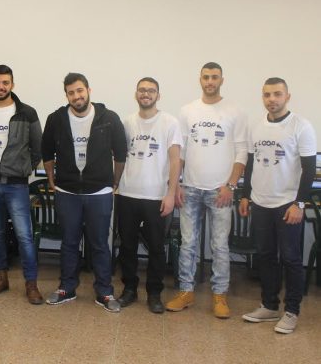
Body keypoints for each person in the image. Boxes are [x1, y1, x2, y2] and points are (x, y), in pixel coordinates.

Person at [166, 62, 247, 318]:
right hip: (190, 189)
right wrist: (177, 184)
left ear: (222, 80)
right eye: (205, 77)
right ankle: (186, 291)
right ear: (199, 80)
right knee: (188, 243)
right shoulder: (187, 111)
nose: (210, 81)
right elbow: (180, 152)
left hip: (220, 191)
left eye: (214, 77)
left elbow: (242, 152)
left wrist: (231, 185)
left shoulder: (235, 111)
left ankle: (220, 295)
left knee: (220, 245)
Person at [41, 72, 127, 311]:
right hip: (67, 191)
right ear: (66, 95)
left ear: (89, 90)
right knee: (69, 242)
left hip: (99, 192)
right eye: (71, 93)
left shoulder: (109, 118)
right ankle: (66, 288)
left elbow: (121, 153)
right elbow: (47, 152)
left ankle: (105, 292)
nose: (76, 96)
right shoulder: (56, 119)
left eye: (80, 90)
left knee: (99, 243)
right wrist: (52, 181)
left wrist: (114, 182)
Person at [240, 78, 316, 334]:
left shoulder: (301, 126)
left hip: (287, 204)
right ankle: (269, 305)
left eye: (277, 94)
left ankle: (291, 311)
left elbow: (308, 169)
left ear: (287, 97)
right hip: (261, 202)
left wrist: (299, 203)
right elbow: (251, 164)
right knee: (265, 256)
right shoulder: (256, 126)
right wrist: (245, 196)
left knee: (291, 258)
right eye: (267, 95)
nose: (271, 99)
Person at [0, 64, 44, 305]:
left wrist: (23, 168)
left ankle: (31, 284)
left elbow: (38, 148)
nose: (1, 86)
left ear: (12, 85)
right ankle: (1, 278)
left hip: (17, 186)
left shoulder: (27, 113)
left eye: (5, 82)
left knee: (24, 235)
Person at [115, 77, 182, 313]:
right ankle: (129, 289)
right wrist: (115, 185)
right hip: (127, 194)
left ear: (158, 95)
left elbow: (175, 161)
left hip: (156, 196)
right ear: (136, 94)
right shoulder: (126, 123)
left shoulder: (170, 123)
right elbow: (119, 158)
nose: (146, 94)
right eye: (142, 90)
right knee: (127, 247)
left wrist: (171, 194)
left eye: (151, 90)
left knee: (156, 248)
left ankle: (154, 293)